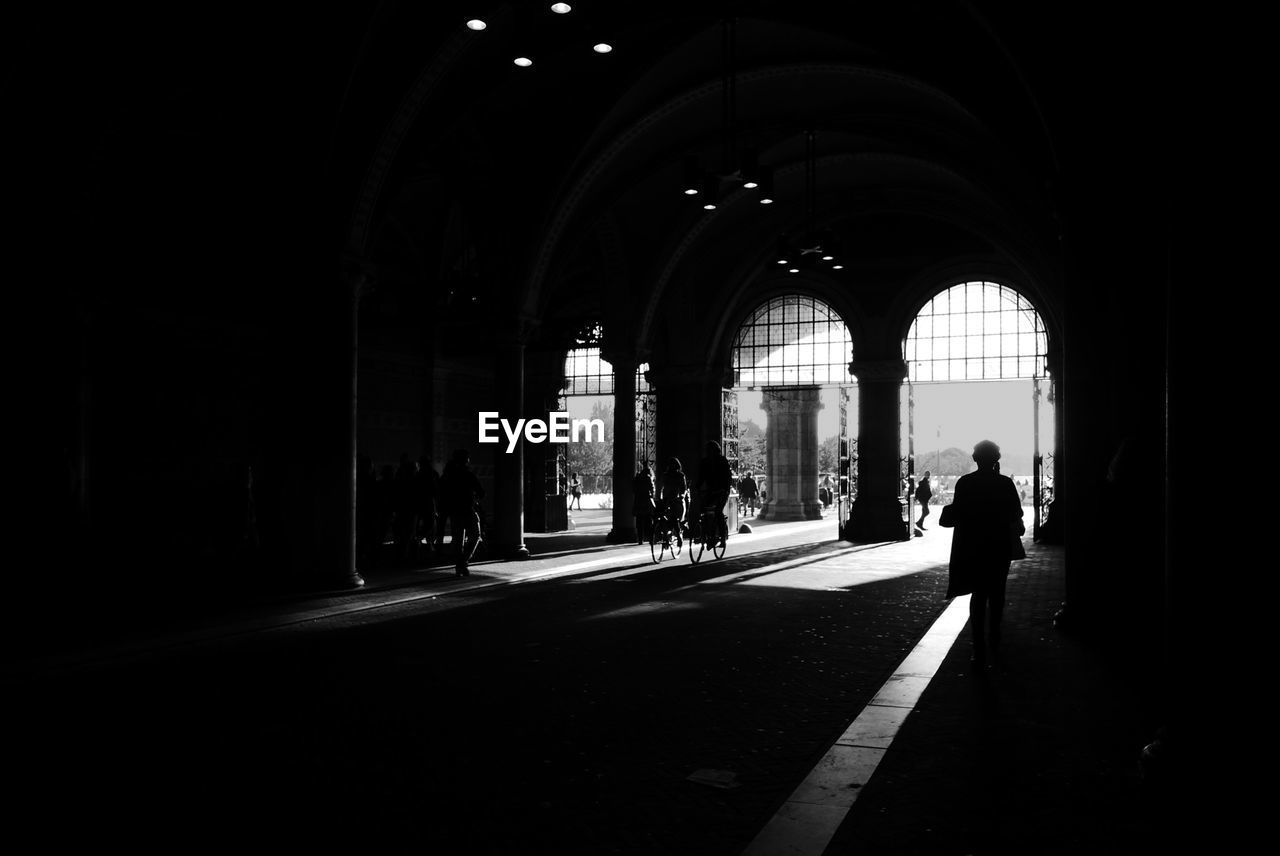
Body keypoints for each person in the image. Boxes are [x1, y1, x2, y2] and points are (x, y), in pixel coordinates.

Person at [939, 440, 1025, 668]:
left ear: (975, 458)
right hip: (998, 546)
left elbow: (956, 512)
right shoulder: (1005, 484)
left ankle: (978, 648)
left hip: (973, 546)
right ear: (997, 459)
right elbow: (1016, 512)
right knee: (997, 594)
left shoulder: (965, 483)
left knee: (978, 596)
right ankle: (994, 637)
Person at [440, 449, 485, 577]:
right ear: (466, 460)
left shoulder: (447, 476)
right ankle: (463, 562)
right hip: (468, 510)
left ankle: (459, 565)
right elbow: (481, 492)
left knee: (458, 540)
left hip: (454, 511)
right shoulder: (468, 475)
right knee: (475, 535)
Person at [697, 441, 732, 547]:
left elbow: (728, 477)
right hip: (711, 490)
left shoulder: (722, 461)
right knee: (703, 510)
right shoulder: (705, 462)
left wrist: (725, 489)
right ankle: (707, 533)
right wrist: (697, 487)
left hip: (722, 491)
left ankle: (722, 538)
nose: (709, 452)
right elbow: (701, 476)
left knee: (718, 511)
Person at [657, 457, 689, 542]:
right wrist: (659, 498)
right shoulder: (665, 475)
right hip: (667, 499)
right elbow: (660, 487)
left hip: (676, 500)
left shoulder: (680, 475)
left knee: (674, 518)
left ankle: (678, 536)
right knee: (662, 516)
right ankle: (664, 534)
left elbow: (684, 488)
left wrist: (682, 495)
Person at [633, 462, 656, 544]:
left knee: (639, 521)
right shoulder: (649, 478)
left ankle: (640, 539)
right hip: (647, 501)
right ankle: (650, 538)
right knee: (649, 521)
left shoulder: (637, 477)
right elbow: (652, 489)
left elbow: (634, 489)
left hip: (639, 501)